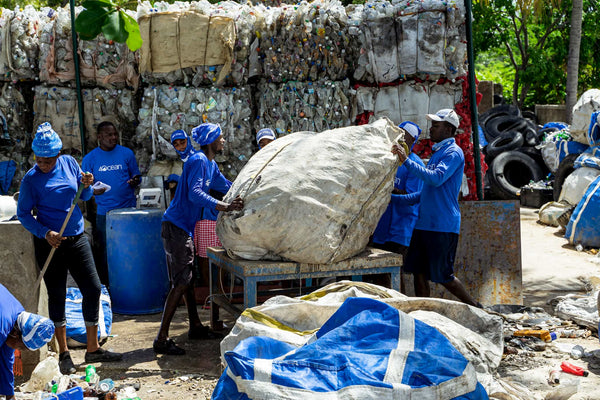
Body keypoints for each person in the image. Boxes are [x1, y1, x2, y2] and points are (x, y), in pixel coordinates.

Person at [17, 123, 122, 375]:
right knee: (57, 294)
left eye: (48, 160)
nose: (44, 165)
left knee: (93, 287)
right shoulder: (31, 179)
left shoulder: (69, 163)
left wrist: (86, 184)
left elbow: (84, 198)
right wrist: (45, 233)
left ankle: (93, 347)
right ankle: (64, 352)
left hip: (75, 237)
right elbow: (23, 214)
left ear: (57, 154)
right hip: (50, 242)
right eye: (40, 160)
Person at [155, 123, 243, 355]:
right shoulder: (197, 161)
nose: (223, 141)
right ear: (211, 140)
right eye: (221, 137)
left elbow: (226, 186)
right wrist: (224, 206)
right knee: (181, 281)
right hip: (175, 226)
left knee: (187, 279)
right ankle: (161, 338)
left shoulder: (210, 164)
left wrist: (246, 192)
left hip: (183, 228)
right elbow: (195, 194)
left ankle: (195, 325)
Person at [392, 109, 481, 308]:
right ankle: (424, 312)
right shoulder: (438, 152)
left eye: (436, 126)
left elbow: (435, 178)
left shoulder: (453, 153)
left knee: (443, 276)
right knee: (419, 271)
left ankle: (476, 307)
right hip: (424, 224)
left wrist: (405, 160)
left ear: (449, 129)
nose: (431, 129)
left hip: (442, 225)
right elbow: (423, 195)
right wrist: (392, 199)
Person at [82, 121, 141, 286]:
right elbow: (84, 188)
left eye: (115, 134)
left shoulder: (127, 154)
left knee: (129, 249)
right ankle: (108, 286)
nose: (113, 138)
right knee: (106, 252)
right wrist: (93, 190)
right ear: (99, 137)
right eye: (109, 135)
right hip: (105, 214)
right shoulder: (90, 159)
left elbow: (137, 176)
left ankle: (129, 283)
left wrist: (134, 181)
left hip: (128, 211)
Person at [371, 121, 425, 291]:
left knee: (394, 271)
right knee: (379, 273)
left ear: (412, 140)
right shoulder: (388, 159)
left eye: (404, 136)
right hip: (381, 228)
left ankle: (400, 306)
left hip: (401, 229)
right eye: (398, 134)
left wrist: (388, 192)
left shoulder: (414, 164)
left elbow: (411, 196)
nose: (399, 138)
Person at [1, 284, 55, 400]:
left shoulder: (17, 318)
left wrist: (10, 396)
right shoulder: (2, 327)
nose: (19, 351)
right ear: (16, 335)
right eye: (21, 348)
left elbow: (6, 358)